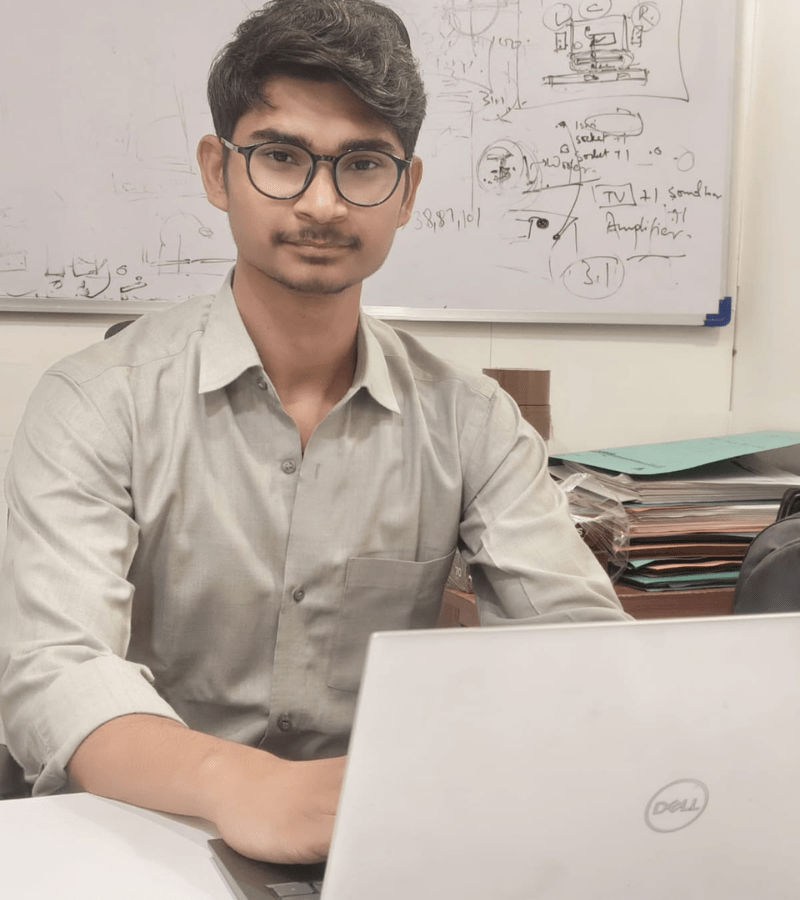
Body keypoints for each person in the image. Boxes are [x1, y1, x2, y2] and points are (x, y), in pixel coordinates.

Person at [0, 0, 628, 864]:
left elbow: (585, 655)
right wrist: (239, 785)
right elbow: (56, 669)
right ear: (218, 171)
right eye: (282, 158)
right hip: (144, 836)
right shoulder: (95, 401)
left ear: (407, 191)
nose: (323, 204)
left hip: (371, 836)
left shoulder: (471, 419)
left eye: (363, 164)